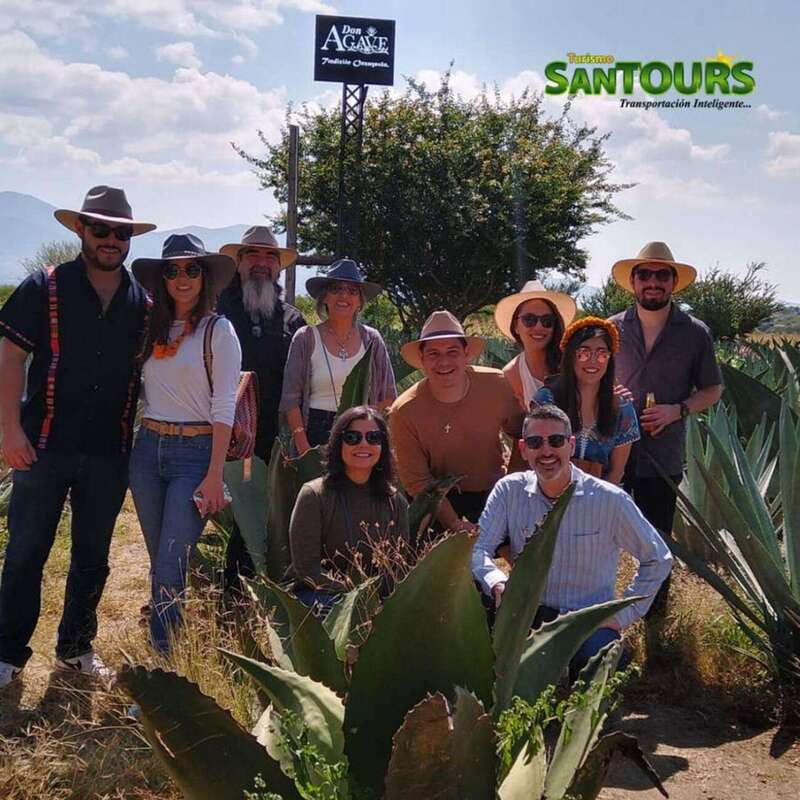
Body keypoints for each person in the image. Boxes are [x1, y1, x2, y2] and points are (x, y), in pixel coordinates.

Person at [0, 186, 154, 686]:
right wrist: (7, 430)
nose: (111, 239)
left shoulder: (143, 304)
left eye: (120, 232)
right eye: (101, 229)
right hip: (42, 443)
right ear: (81, 231)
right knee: (25, 550)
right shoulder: (43, 287)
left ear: (130, 238)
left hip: (109, 450)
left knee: (93, 555)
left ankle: (74, 648)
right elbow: (9, 358)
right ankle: (6, 654)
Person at [471, 403, 673, 682]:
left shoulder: (608, 499)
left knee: (596, 667)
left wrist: (621, 615)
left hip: (586, 620)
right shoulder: (509, 491)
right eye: (535, 442)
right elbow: (479, 547)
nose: (546, 451)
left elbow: (658, 558)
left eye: (556, 441)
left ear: (571, 445)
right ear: (523, 448)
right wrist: (496, 581)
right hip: (527, 613)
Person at [129, 233, 241, 653]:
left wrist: (215, 476)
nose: (182, 277)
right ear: (162, 278)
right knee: (160, 559)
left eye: (191, 268)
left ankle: (163, 665)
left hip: (194, 455)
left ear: (205, 277)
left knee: (172, 563)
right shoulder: (151, 329)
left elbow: (224, 404)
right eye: (172, 270)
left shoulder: (218, 330)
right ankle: (170, 645)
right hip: (147, 451)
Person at [608, 242, 723, 553]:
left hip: (663, 454)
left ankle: (656, 603)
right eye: (644, 274)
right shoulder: (610, 330)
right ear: (633, 282)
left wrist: (678, 409)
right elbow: (590, 380)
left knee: (657, 543)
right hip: (611, 450)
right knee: (601, 539)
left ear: (673, 283)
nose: (653, 282)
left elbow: (714, 389)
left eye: (662, 275)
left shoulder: (695, 333)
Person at [216, 226, 306, 585]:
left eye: (270, 257)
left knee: (259, 512)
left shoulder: (292, 320)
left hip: (273, 436)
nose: (262, 263)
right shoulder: (215, 310)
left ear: (279, 269)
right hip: (220, 434)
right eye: (252, 255)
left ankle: (249, 592)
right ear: (238, 263)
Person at [388, 310, 525, 534]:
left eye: (452, 351)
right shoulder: (404, 410)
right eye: (433, 354)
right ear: (422, 359)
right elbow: (417, 480)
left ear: (466, 354)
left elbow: (523, 434)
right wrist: (454, 523)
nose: (444, 362)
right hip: (437, 497)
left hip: (493, 490)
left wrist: (511, 489)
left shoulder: (497, 386)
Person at [288, 405, 409, 615]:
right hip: (320, 596)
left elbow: (395, 568)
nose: (363, 444)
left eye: (373, 438)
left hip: (374, 599)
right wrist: (353, 595)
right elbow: (307, 569)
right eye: (352, 437)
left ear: (382, 447)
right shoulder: (314, 495)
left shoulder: (394, 501)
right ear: (338, 444)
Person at [281, 259, 396, 454]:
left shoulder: (372, 340)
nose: (344, 295)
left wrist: (371, 433)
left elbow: (388, 395)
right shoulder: (305, 338)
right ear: (324, 297)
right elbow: (290, 398)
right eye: (336, 289)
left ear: (360, 301)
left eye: (352, 291)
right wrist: (303, 447)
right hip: (314, 433)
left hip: (360, 434)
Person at [533, 316, 640, 484]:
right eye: (583, 353)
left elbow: (617, 472)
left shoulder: (623, 409)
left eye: (601, 354)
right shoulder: (546, 400)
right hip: (546, 497)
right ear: (570, 357)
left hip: (600, 500)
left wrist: (593, 505)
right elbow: (534, 459)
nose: (592, 361)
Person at [494, 280, 576, 411]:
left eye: (547, 321)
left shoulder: (573, 363)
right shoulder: (511, 375)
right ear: (516, 326)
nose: (538, 326)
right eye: (529, 319)